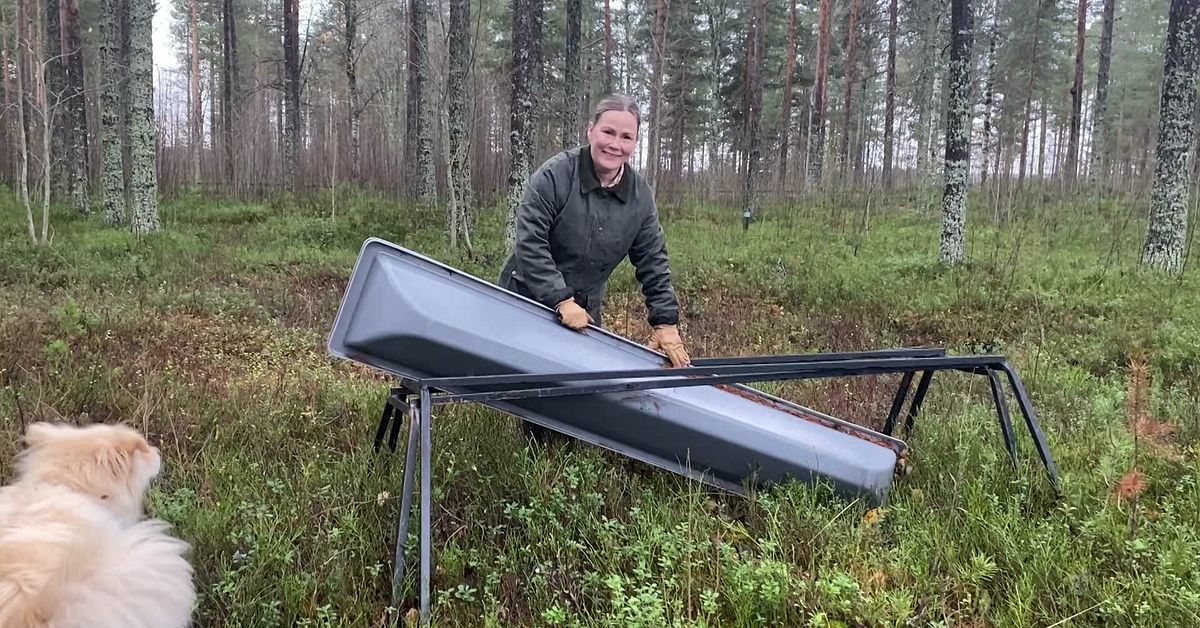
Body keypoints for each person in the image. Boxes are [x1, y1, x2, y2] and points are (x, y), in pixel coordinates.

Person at [498, 94, 691, 368]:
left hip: (584, 311)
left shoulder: (640, 198)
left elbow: (654, 262)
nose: (615, 144)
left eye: (626, 137)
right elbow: (530, 243)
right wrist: (560, 298)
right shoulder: (555, 176)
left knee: (573, 393)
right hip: (525, 299)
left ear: (635, 144)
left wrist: (665, 321)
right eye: (608, 132)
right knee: (517, 385)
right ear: (591, 130)